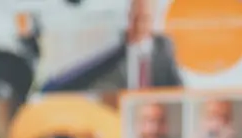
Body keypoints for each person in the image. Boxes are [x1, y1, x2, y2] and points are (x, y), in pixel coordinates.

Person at [44, 0, 182, 95]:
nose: (139, 25)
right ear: (128, 17)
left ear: (153, 21)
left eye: (145, 19)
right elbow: (87, 74)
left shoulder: (164, 52)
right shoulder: (115, 53)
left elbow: (178, 92)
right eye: (135, 18)